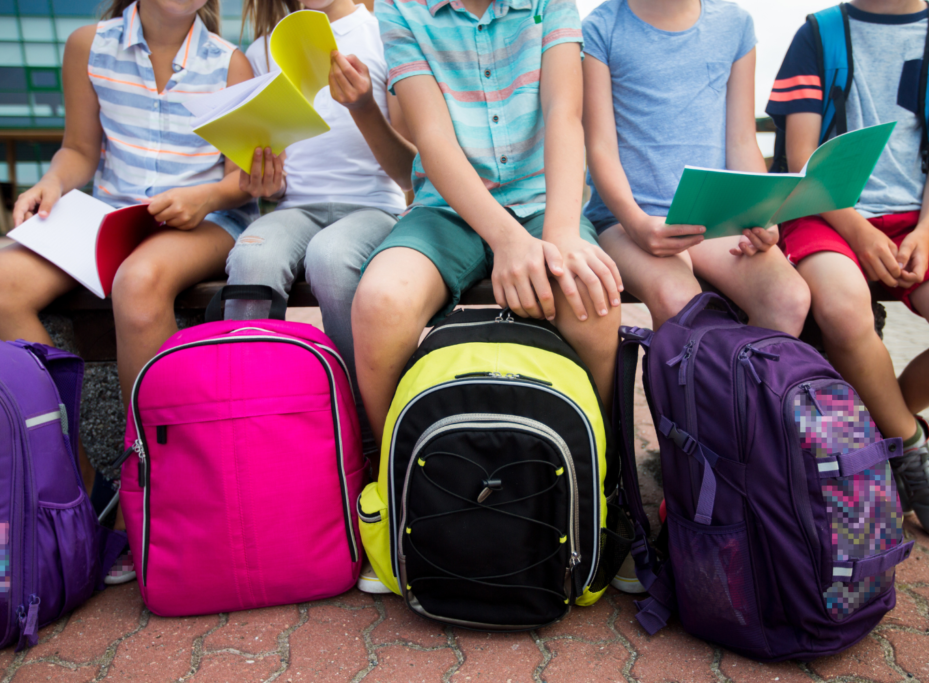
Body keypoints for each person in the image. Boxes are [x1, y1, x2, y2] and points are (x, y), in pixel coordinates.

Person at [352, 0, 624, 589]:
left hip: (542, 201)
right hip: (446, 209)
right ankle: (391, 481)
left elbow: (563, 112)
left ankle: (598, 483)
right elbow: (430, 134)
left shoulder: (553, 6)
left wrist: (557, 234)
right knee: (379, 305)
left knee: (591, 299)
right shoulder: (402, 10)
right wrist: (504, 239)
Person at [0, 0, 257, 582]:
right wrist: (50, 184)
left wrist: (205, 199)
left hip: (202, 224)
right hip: (110, 218)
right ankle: (83, 489)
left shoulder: (229, 63)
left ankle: (155, 495)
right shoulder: (88, 46)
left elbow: (245, 179)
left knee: (137, 284)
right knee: (2, 285)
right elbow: (79, 152)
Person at [767, 0, 929, 537]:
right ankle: (907, 444)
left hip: (916, 221)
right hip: (824, 212)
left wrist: (925, 232)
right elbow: (802, 161)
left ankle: (873, 427)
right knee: (839, 308)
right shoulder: (819, 33)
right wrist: (858, 229)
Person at [225, 0, 416, 471]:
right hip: (295, 207)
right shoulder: (261, 52)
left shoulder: (387, 34)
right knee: (251, 256)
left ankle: (367, 439)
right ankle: (253, 428)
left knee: (331, 260)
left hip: (374, 205)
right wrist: (266, 182)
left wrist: (363, 105)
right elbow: (273, 175)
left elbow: (412, 169)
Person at [582, 0, 810, 333]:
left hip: (715, 219)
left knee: (788, 298)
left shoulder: (736, 24)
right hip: (628, 220)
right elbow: (600, 147)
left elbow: (742, 140)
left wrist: (762, 213)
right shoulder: (599, 28)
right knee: (680, 300)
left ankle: (745, 384)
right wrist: (637, 224)